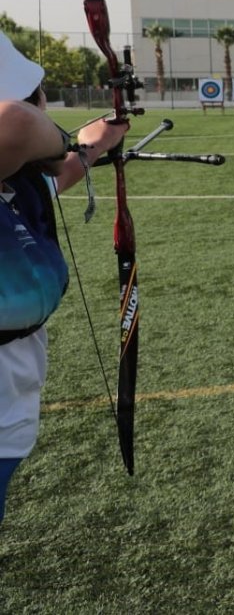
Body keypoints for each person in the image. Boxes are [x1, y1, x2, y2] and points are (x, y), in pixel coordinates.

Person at [0, 32, 127, 524]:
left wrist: (98, 139)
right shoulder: (15, 129)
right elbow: (13, 127)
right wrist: (56, 143)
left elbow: (62, 170)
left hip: (14, 382)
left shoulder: (19, 180)